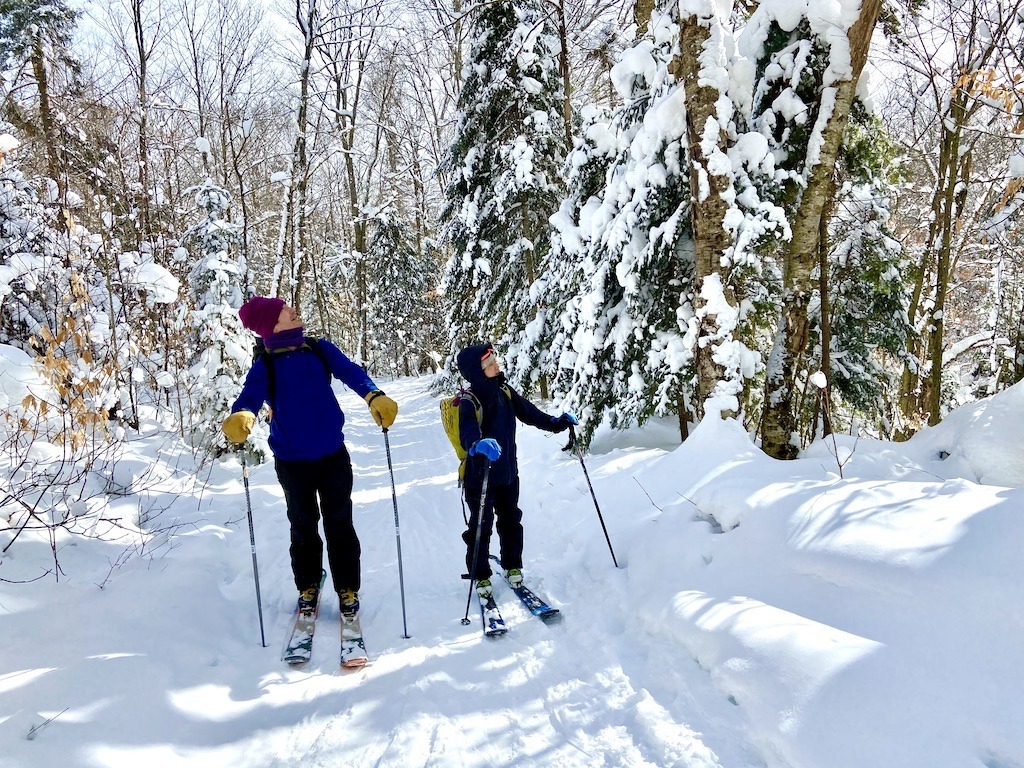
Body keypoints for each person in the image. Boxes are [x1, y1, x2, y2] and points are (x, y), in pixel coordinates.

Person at [221, 296, 398, 617]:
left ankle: (347, 587)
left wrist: (374, 395)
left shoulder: (316, 348)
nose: (293, 310)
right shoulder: (266, 365)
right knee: (302, 526)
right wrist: (242, 414)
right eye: (285, 311)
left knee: (340, 522)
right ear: (273, 325)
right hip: (291, 462)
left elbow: (349, 371)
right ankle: (308, 585)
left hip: (333, 455)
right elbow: (250, 394)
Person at [456, 342, 577, 596]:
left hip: (508, 474)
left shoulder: (504, 391)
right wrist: (477, 444)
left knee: (511, 520)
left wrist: (557, 423)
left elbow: (531, 414)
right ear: (477, 372)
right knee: (481, 525)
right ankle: (480, 575)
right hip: (481, 477)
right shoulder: (469, 401)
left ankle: (513, 566)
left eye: (494, 361)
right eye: (490, 365)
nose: (496, 366)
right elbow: (466, 432)